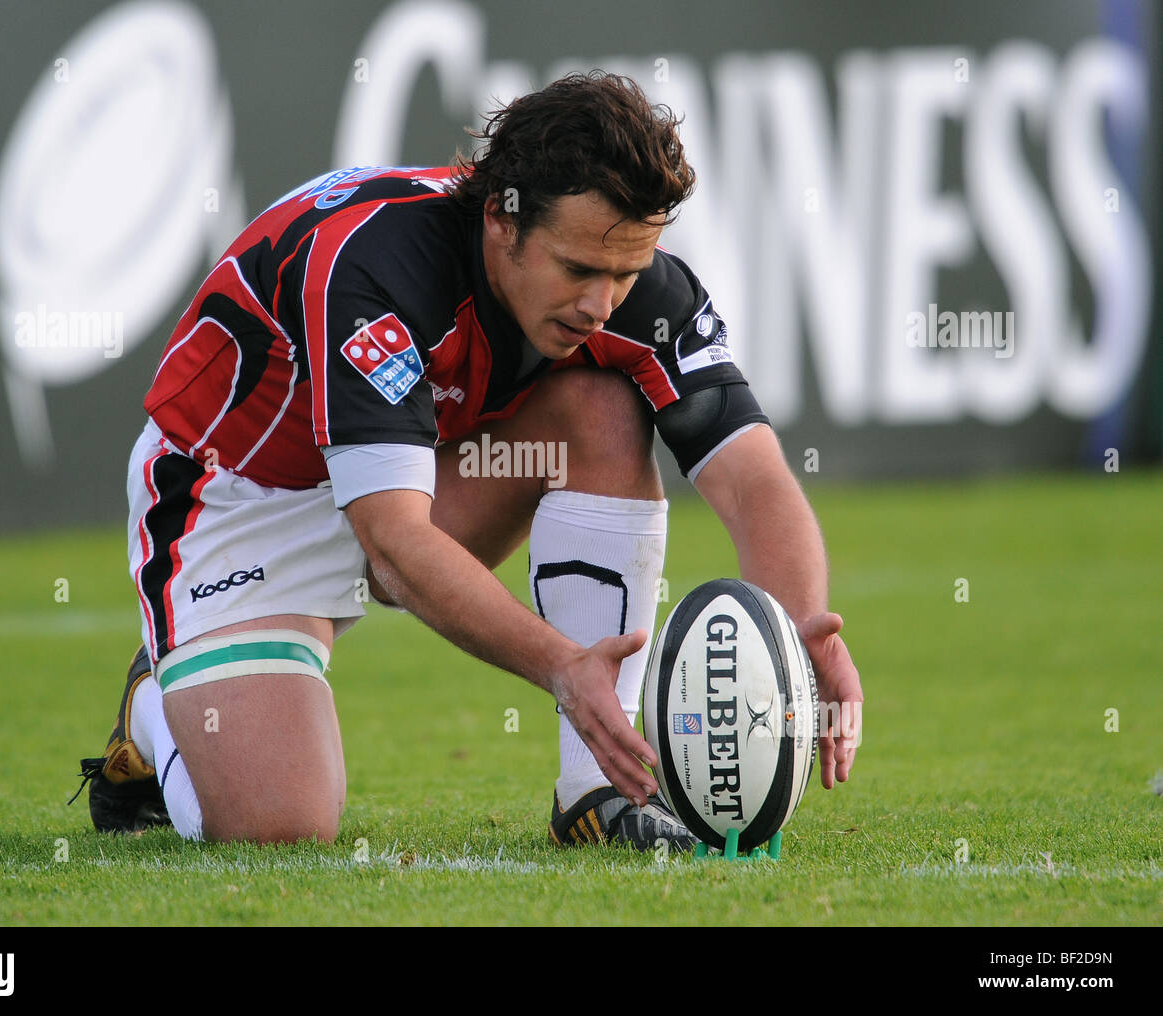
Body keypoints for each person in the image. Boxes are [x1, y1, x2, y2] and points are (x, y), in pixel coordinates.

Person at [71, 71, 862, 850]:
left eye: (625, 272)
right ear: (500, 222)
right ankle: (155, 704)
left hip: (406, 481)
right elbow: (393, 544)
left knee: (603, 410)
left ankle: (597, 792)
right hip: (236, 499)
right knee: (280, 826)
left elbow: (751, 474)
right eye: (579, 269)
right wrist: (562, 665)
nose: (601, 303)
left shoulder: (637, 286)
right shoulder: (374, 265)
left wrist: (796, 639)